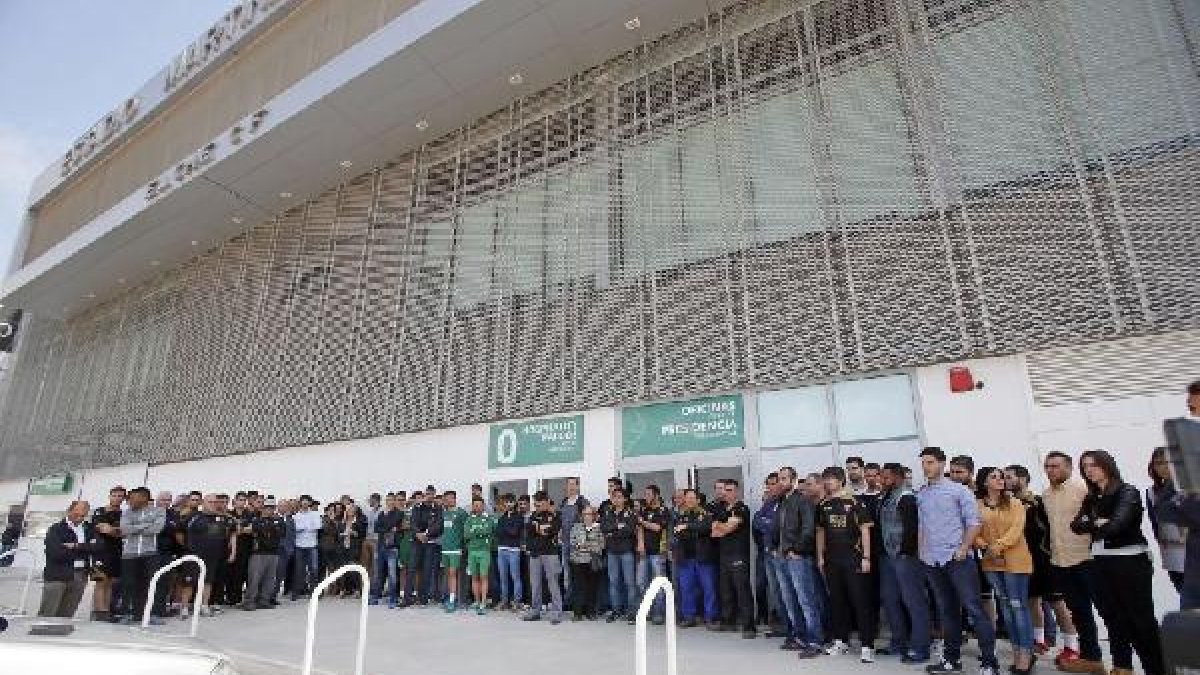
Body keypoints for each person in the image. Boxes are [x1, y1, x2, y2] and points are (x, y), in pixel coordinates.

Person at [1071, 450, 1164, 675]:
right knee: (1116, 619)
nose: (1089, 469)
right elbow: (1075, 526)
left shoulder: (1127, 491)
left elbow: (1116, 526)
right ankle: (1124, 666)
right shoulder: (1092, 497)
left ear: (1107, 465)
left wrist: (1092, 522)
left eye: (1094, 464)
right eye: (1085, 466)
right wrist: (1098, 521)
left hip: (1129, 562)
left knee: (1141, 622)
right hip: (1100, 562)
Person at [916, 447, 999, 675]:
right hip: (932, 561)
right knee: (947, 611)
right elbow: (923, 526)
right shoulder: (921, 493)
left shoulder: (959, 491)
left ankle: (989, 661)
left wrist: (964, 547)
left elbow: (974, 523)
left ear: (942, 465)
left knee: (974, 609)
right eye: (923, 462)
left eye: (931, 462)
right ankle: (951, 659)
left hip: (957, 559)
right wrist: (922, 553)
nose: (926, 467)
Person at [1005, 464, 1078, 657]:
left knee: (1057, 602)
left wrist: (1051, 554)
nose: (1005, 480)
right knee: (1031, 601)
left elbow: (1051, 530)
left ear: (1022, 479)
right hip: (1023, 561)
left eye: (1009, 476)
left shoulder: (1038, 502)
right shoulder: (1009, 505)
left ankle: (1072, 645)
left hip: (1045, 560)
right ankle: (1039, 640)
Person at [1042, 452, 1104, 674]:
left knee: (1107, 611)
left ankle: (1121, 662)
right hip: (1061, 562)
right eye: (1047, 467)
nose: (1051, 471)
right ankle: (1091, 657)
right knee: (1079, 612)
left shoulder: (1083, 489)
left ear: (1069, 467)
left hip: (1087, 560)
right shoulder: (1046, 495)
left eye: (1056, 466)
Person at [976, 467, 1034, 674]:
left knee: (1018, 607)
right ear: (984, 482)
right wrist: (985, 547)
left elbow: (1016, 530)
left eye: (1002, 477)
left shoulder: (1015, 503)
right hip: (991, 563)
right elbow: (973, 531)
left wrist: (995, 547)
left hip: (1016, 562)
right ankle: (1016, 651)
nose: (1000, 480)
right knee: (1006, 609)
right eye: (994, 477)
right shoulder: (977, 505)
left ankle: (1026, 654)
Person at [817, 466, 876, 663]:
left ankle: (867, 645)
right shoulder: (823, 504)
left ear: (841, 480)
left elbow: (865, 530)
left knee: (860, 602)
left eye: (831, 479)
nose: (827, 482)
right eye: (825, 479)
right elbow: (820, 532)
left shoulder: (854, 501)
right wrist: (820, 557)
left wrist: (866, 557)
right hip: (832, 560)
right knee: (837, 602)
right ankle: (841, 641)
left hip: (854, 559)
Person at [877, 462, 930, 664]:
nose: (883, 480)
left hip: (906, 557)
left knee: (914, 601)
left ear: (898, 477)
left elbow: (912, 528)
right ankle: (898, 642)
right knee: (890, 599)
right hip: (888, 558)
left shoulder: (907, 497)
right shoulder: (885, 496)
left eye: (886, 477)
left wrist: (906, 552)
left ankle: (920, 646)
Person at [773, 466, 824, 658]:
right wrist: (774, 549)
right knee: (790, 601)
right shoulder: (782, 502)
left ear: (794, 480)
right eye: (779, 478)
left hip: (798, 558)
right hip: (782, 557)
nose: (781, 482)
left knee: (806, 601)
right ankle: (799, 637)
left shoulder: (802, 501)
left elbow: (809, 529)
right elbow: (777, 529)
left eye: (785, 478)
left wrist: (797, 550)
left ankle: (815, 641)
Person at [709, 478, 756, 639]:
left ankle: (749, 626)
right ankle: (728, 621)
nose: (726, 493)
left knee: (742, 591)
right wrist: (722, 527)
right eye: (725, 490)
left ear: (737, 492)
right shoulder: (721, 509)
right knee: (726, 590)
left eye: (730, 490)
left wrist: (721, 527)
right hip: (724, 554)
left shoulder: (742, 508)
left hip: (738, 555)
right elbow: (714, 532)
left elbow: (728, 528)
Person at [39, 501, 99, 618]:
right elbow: (56, 553)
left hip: (80, 575)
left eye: (83, 515)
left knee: (67, 613)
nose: (80, 518)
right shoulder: (56, 529)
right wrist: (85, 548)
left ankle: (59, 635)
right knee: (48, 612)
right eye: (76, 514)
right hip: (58, 575)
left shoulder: (89, 528)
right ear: (69, 511)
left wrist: (76, 546)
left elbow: (98, 547)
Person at [674, 488, 719, 630]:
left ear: (698, 500)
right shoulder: (681, 515)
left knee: (708, 588)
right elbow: (678, 533)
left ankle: (710, 617)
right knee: (686, 589)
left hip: (703, 558)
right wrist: (692, 530)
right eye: (687, 498)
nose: (689, 500)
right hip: (685, 558)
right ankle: (689, 617)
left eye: (692, 498)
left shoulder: (706, 513)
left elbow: (706, 528)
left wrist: (687, 527)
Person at [120, 487, 166, 624]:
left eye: (133, 498)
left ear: (144, 498)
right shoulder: (127, 512)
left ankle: (148, 614)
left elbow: (157, 529)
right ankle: (127, 614)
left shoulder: (159, 511)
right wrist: (146, 525)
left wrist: (135, 527)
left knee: (149, 584)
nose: (129, 501)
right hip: (129, 554)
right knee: (128, 585)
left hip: (150, 553)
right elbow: (125, 529)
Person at [186, 493, 237, 616]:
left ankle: (204, 605)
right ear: (203, 503)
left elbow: (232, 532)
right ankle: (185, 606)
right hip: (195, 555)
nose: (214, 504)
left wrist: (231, 551)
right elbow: (184, 535)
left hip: (213, 556)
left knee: (208, 581)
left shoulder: (222, 518)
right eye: (211, 502)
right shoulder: (194, 517)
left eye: (215, 502)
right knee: (190, 581)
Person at [1146, 447, 1187, 593]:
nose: (1164, 467)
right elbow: (1156, 525)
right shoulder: (1152, 492)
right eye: (1158, 463)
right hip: (1173, 558)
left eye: (1168, 462)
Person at [523, 491, 563, 624]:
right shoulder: (533, 515)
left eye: (539, 503)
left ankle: (556, 612)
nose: (537, 506)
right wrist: (540, 529)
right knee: (535, 584)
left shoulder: (555, 515)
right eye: (536, 503)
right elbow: (529, 532)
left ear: (547, 502)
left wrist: (540, 529)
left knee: (553, 584)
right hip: (535, 554)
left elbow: (553, 530)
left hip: (550, 554)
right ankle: (535, 611)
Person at [600, 486, 637, 622]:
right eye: (614, 497)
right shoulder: (608, 513)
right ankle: (616, 610)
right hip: (612, 552)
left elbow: (629, 530)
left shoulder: (631, 513)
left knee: (629, 583)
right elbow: (604, 528)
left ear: (625, 499)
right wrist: (617, 527)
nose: (616, 499)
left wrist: (613, 531)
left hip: (626, 552)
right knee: (614, 582)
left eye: (619, 497)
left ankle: (632, 612)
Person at [752, 472, 783, 632]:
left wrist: (767, 523)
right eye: (768, 484)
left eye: (773, 483)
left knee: (780, 588)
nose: (770, 487)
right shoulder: (768, 504)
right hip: (764, 552)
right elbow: (757, 521)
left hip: (778, 552)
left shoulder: (784, 502)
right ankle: (765, 616)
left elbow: (776, 526)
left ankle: (783, 620)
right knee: (762, 585)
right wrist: (767, 523)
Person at [243, 496, 285, 610]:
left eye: (272, 508)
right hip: (258, 553)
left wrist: (266, 529)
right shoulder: (255, 519)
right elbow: (250, 530)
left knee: (270, 579)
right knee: (254, 579)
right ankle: (249, 602)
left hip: (274, 553)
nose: (269, 510)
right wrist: (267, 529)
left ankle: (264, 601)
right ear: (263, 508)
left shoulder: (279, 520)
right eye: (267, 507)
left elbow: (281, 533)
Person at [90, 485, 126, 621]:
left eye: (120, 496)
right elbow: (104, 529)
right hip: (101, 551)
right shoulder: (100, 511)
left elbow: (126, 532)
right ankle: (99, 612)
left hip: (117, 552)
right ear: (110, 496)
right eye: (114, 495)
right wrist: (118, 531)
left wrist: (115, 530)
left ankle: (106, 611)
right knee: (101, 581)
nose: (117, 498)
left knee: (110, 582)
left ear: (123, 499)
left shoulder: (124, 514)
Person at [636, 484, 669, 625]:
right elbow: (639, 528)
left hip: (657, 554)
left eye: (649, 494)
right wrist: (641, 543)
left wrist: (643, 522)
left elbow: (657, 527)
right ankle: (647, 610)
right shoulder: (644, 510)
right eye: (645, 494)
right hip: (644, 553)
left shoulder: (663, 510)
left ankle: (658, 613)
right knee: (641, 583)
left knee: (658, 584)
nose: (646, 497)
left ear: (656, 495)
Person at [569, 504, 605, 621]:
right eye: (585, 514)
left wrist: (586, 545)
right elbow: (573, 542)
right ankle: (577, 613)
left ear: (593, 516)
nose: (587, 516)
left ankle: (591, 612)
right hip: (578, 561)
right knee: (578, 587)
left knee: (592, 587)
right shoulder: (576, 527)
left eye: (589, 514)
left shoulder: (599, 528)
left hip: (592, 561)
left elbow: (601, 545)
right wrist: (584, 545)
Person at [464, 496, 496, 615]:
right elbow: (466, 534)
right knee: (474, 577)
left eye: (479, 505)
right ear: (472, 506)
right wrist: (479, 532)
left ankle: (483, 603)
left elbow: (487, 531)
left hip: (484, 551)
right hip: (472, 551)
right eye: (475, 505)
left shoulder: (488, 519)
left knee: (484, 577)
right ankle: (477, 601)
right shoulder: (468, 520)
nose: (477, 507)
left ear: (483, 506)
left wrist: (476, 532)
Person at [371, 493, 404, 607]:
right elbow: (376, 528)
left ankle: (393, 599)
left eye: (391, 500)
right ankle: (375, 597)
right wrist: (389, 528)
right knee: (378, 574)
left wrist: (387, 526)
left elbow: (393, 524)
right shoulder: (382, 513)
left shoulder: (399, 513)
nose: (389, 502)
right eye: (387, 500)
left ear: (394, 501)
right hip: (380, 547)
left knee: (392, 575)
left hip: (392, 548)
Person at [438, 490, 467, 611]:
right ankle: (451, 597)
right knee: (448, 574)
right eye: (447, 498)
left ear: (455, 499)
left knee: (453, 573)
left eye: (451, 498)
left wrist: (463, 546)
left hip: (456, 548)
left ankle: (454, 600)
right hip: (445, 548)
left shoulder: (461, 513)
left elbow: (466, 530)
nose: (448, 500)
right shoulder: (444, 513)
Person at [495, 493, 524, 611]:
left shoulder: (519, 517)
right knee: (503, 578)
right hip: (502, 550)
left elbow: (514, 532)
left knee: (515, 577)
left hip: (514, 550)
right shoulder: (502, 517)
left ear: (514, 503)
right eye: (506, 502)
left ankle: (517, 601)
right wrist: (507, 527)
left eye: (510, 502)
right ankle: (504, 601)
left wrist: (505, 527)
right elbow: (498, 532)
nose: (508, 504)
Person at [291, 495, 321, 601]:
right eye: (303, 502)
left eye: (306, 502)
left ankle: (314, 592)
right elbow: (296, 529)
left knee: (314, 569)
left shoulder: (315, 514)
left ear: (309, 503)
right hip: (299, 545)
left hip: (312, 545)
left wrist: (303, 527)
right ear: (300, 503)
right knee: (299, 570)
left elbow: (318, 526)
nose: (304, 503)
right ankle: (296, 592)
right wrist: (307, 526)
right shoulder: (295, 516)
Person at [361, 493, 382, 576]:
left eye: (370, 500)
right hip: (367, 540)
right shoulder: (370, 512)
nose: (369, 502)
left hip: (376, 541)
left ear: (375, 500)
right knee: (366, 564)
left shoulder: (382, 512)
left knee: (375, 565)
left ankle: (374, 587)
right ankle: (366, 585)